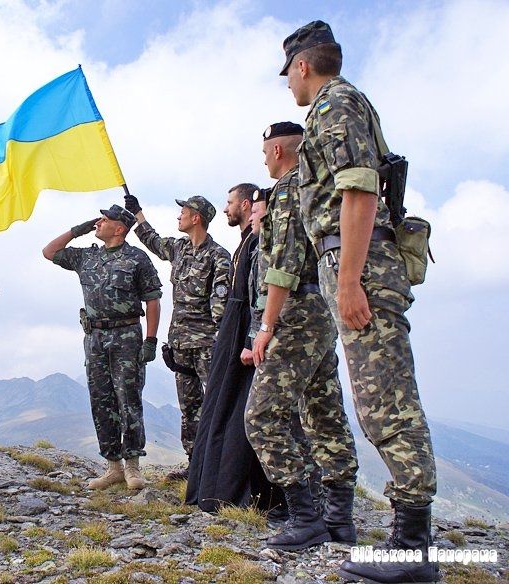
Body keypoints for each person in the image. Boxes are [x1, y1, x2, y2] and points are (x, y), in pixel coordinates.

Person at [281, 21, 437, 583]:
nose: (289, 89)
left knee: (386, 403)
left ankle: (413, 549)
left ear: (303, 65)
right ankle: (410, 537)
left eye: (289, 76)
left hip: (361, 264)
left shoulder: (332, 104)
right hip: (355, 262)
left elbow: (359, 187)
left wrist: (348, 281)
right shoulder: (339, 106)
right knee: (379, 402)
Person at [244, 122, 359, 551]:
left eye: (264, 151)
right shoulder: (316, 184)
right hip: (322, 309)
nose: (263, 159)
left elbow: (286, 263)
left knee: (261, 416)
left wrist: (267, 325)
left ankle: (306, 517)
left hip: (295, 311)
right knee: (324, 411)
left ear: (277, 150)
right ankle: (339, 520)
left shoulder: (290, 187)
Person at [42, 205, 162, 490]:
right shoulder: (87, 256)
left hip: (127, 336)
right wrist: (78, 229)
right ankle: (113, 467)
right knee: (101, 401)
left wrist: (151, 340)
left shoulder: (137, 258)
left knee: (128, 400)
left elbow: (153, 300)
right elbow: (49, 251)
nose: (99, 222)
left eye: (106, 220)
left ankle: (132, 466)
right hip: (94, 338)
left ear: (119, 228)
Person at [185, 184, 285, 515]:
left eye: (230, 202)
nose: (227, 208)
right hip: (235, 326)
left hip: (245, 328)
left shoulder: (259, 245)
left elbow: (261, 292)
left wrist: (252, 335)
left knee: (242, 409)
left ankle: (238, 491)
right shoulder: (246, 243)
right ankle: (212, 486)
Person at [124, 194, 231, 480]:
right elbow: (153, 240)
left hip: (208, 344)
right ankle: (195, 464)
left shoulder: (218, 256)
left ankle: (222, 467)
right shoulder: (180, 248)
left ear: (196, 217)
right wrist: (137, 212)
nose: (179, 216)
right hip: (181, 343)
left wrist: (222, 342)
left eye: (183, 211)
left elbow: (221, 303)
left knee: (217, 404)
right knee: (190, 406)